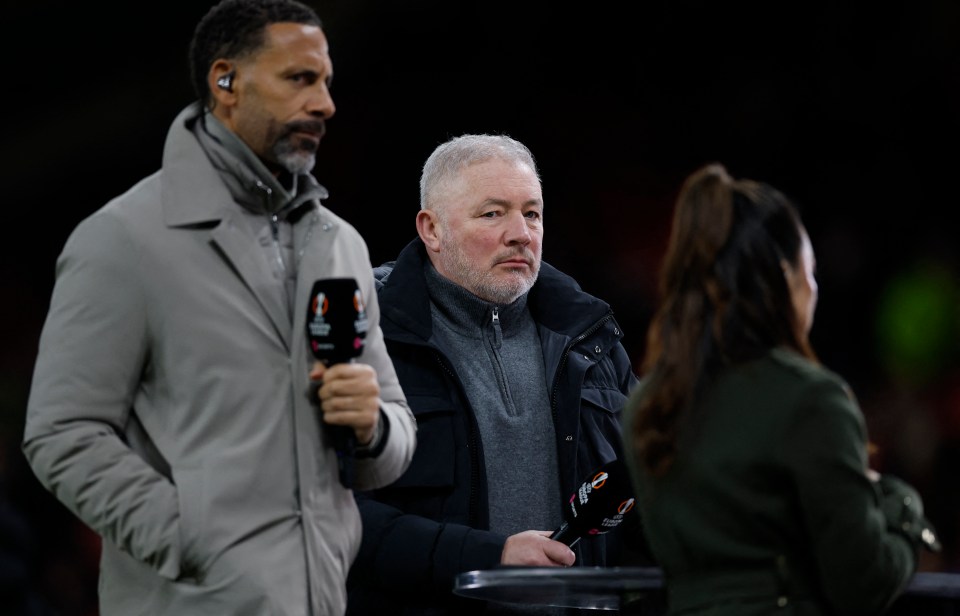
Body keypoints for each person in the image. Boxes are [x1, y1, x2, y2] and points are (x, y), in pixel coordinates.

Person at [21, 0, 417, 614]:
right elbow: (60, 433)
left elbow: (394, 427)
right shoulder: (122, 238)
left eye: (327, 83)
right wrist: (191, 540)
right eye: (299, 79)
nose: (325, 104)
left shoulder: (339, 244)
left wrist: (372, 429)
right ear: (225, 82)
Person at [622, 162, 939, 615]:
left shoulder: (647, 405)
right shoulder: (811, 399)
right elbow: (864, 582)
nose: (814, 289)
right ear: (782, 278)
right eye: (809, 272)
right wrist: (899, 504)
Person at [345, 133, 644, 615]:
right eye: (493, 213)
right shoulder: (366, 337)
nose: (521, 233)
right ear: (431, 229)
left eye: (531, 212)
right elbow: (332, 519)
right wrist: (491, 557)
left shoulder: (592, 339)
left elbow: (646, 499)